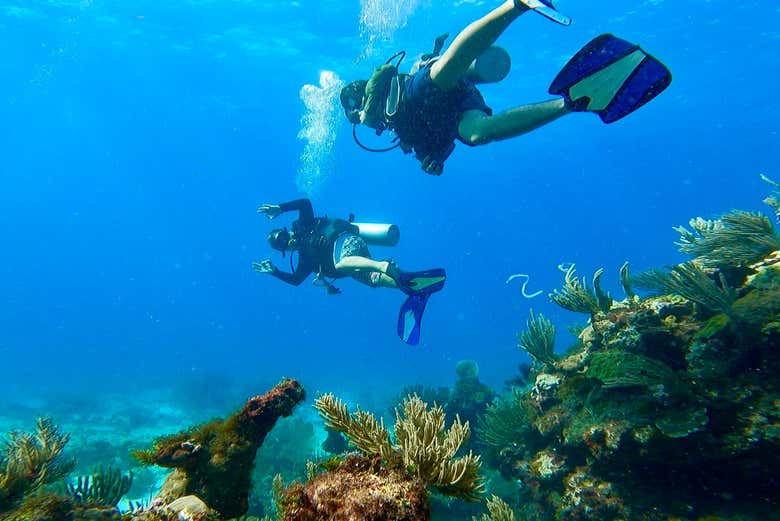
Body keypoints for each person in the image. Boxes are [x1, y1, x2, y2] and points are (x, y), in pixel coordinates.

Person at [340, 0, 671, 175]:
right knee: (477, 135)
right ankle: (571, 102)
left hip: (423, 89)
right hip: (454, 111)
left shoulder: (377, 89)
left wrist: (366, 111)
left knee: (443, 72)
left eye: (353, 114)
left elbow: (383, 72)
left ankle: (517, 4)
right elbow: (434, 145)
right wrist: (434, 162)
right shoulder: (396, 128)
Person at [253, 198, 446, 344]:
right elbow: (296, 280)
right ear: (283, 251)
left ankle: (384, 265)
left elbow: (305, 203)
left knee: (342, 264)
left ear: (287, 231)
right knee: (373, 280)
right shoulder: (304, 260)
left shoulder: (305, 225)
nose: (285, 241)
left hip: (347, 241)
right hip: (354, 263)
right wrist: (274, 272)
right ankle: (412, 285)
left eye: (283, 236)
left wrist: (280, 208)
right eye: (280, 243)